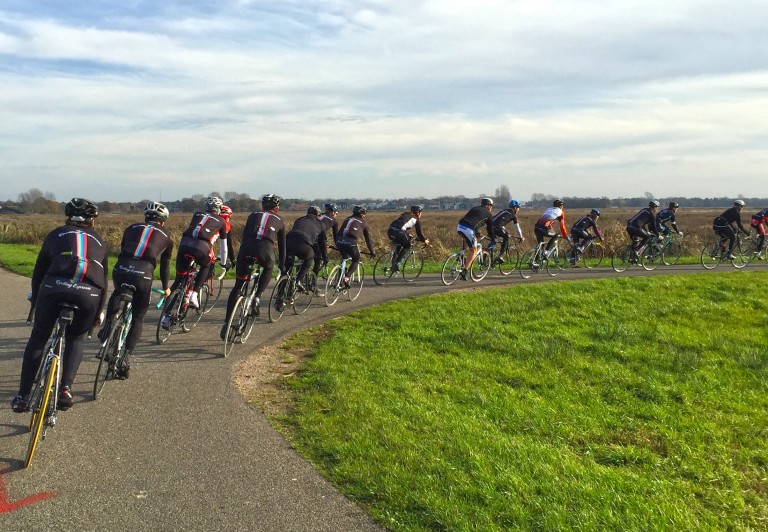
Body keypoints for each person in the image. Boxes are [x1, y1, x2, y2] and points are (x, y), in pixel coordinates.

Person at [11, 198, 107, 412]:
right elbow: (104, 281)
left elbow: (39, 273)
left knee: (38, 338)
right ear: (92, 222)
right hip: (89, 293)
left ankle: (22, 397)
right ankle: (66, 388)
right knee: (76, 338)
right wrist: (98, 312)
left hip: (54, 287)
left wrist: (35, 301)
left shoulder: (56, 234)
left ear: (67, 218)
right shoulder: (99, 240)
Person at [100, 202, 173, 379]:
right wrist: (166, 287)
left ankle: (108, 326)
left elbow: (123, 249)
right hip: (143, 274)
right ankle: (125, 358)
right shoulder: (168, 236)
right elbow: (164, 267)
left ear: (145, 217)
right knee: (138, 318)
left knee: (117, 293)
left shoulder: (131, 228)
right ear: (162, 221)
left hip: (122, 268)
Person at [221, 194, 286, 339]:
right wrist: (282, 265)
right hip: (265, 251)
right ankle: (257, 297)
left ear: (262, 206)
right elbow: (282, 246)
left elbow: (245, 236)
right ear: (276, 208)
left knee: (238, 286)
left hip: (246, 250)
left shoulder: (252, 215)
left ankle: (226, 322)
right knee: (269, 268)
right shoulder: (280, 220)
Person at [169, 196, 228, 310]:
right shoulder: (222, 221)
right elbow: (224, 247)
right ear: (219, 208)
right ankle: (194, 295)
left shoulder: (197, 214)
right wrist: (224, 263)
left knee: (180, 278)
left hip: (184, 245)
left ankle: (165, 315)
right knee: (207, 264)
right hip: (201, 247)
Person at [284, 206, 327, 291]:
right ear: (318, 215)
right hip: (303, 242)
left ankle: (280, 292)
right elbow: (322, 243)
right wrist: (325, 257)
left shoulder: (299, 219)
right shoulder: (321, 224)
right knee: (310, 256)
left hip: (288, 241)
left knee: (286, 268)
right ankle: (299, 280)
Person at [336, 205, 375, 286]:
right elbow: (368, 239)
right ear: (361, 214)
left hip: (339, 240)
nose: (364, 216)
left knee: (345, 257)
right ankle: (346, 277)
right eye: (364, 214)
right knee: (356, 259)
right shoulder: (363, 223)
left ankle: (340, 274)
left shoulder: (347, 219)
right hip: (351, 241)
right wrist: (372, 252)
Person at [457, 198, 494, 277]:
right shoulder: (489, 214)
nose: (491, 208)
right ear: (488, 206)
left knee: (469, 245)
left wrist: (477, 233)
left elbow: (474, 220)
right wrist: (493, 239)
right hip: (469, 229)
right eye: (491, 206)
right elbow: (490, 229)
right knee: (474, 251)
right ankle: (465, 272)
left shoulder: (475, 208)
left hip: (460, 226)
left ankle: (461, 258)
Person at [387, 205, 430, 272]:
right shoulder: (416, 220)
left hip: (391, 231)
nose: (421, 214)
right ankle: (397, 263)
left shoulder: (405, 215)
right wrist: (424, 240)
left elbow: (401, 225)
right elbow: (419, 233)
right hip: (399, 232)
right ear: (418, 213)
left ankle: (393, 266)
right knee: (407, 245)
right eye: (421, 213)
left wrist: (407, 234)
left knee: (398, 245)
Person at [490, 199, 524, 264]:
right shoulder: (513, 215)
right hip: (497, 227)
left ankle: (488, 258)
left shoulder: (504, 211)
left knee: (493, 241)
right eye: (518, 208)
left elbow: (498, 221)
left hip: (490, 227)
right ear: (515, 208)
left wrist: (504, 230)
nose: (519, 209)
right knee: (506, 237)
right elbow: (517, 228)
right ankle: (500, 256)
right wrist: (521, 236)